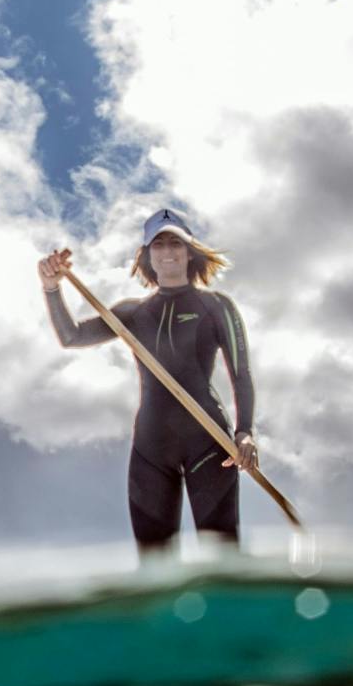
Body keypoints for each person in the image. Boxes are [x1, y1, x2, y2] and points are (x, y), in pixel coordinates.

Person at [37, 208, 259, 553]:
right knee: (155, 567)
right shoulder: (131, 313)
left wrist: (245, 432)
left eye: (176, 242)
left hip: (210, 443)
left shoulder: (216, 306)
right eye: (158, 244)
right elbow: (72, 336)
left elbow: (241, 373)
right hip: (151, 449)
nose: (168, 251)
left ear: (190, 252)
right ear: (146, 255)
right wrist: (51, 288)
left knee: (223, 560)